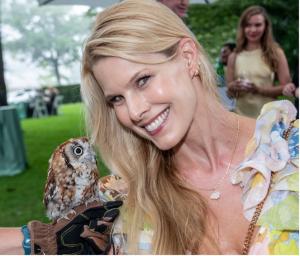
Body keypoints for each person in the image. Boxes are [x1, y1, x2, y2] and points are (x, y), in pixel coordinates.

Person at [0, 0, 298, 254]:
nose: (135, 111)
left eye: (142, 80)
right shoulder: (128, 199)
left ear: (188, 57)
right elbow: (41, 239)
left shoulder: (289, 154)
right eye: (117, 98)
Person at [226, 5, 291, 118]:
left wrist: (258, 90)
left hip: (268, 119)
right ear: (243, 27)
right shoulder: (234, 56)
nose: (253, 30)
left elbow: (286, 87)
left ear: (266, 26)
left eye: (258, 25)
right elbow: (229, 93)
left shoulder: (276, 53)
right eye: (248, 25)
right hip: (241, 119)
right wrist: (233, 87)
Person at [215, 42, 236, 111]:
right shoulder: (217, 70)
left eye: (224, 52)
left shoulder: (242, 71)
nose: (222, 55)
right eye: (221, 52)